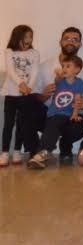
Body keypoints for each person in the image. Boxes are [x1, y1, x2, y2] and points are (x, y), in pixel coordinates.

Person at [28, 27, 83, 161]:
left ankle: (65, 145)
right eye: (67, 38)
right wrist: (44, 95)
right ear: (60, 42)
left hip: (73, 114)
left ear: (80, 44)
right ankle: (36, 149)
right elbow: (34, 94)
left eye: (75, 39)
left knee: (77, 124)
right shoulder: (45, 67)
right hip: (51, 113)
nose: (70, 42)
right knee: (27, 105)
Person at [27, 55, 83, 169]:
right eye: (63, 66)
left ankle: (54, 151)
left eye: (68, 66)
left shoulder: (80, 83)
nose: (64, 68)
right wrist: (58, 76)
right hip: (55, 113)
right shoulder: (60, 82)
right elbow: (57, 79)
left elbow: (78, 100)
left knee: (71, 125)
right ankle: (43, 152)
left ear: (77, 70)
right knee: (52, 128)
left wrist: (75, 114)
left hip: (68, 114)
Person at [2, 25, 40, 167]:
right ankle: (5, 152)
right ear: (17, 37)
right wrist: (21, 84)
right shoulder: (9, 51)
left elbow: (35, 71)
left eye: (31, 37)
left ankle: (17, 150)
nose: (29, 40)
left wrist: (29, 87)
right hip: (11, 93)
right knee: (8, 124)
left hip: (27, 93)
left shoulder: (34, 53)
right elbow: (10, 71)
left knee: (21, 123)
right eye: (25, 37)